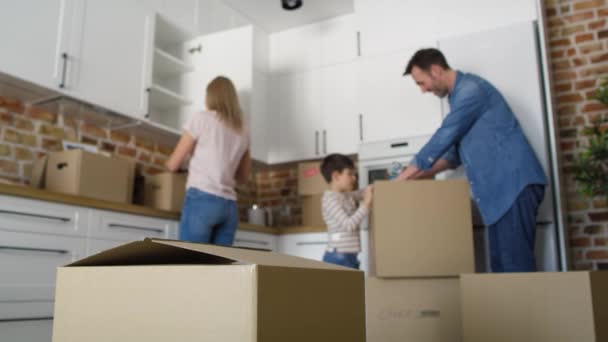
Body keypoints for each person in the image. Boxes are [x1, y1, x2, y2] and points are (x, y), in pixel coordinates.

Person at [396, 48, 546, 272]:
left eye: (421, 82)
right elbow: (451, 156)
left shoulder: (471, 91)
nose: (423, 90)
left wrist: (400, 180)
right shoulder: (458, 98)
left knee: (515, 271)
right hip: (499, 195)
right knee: (501, 271)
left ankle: (528, 307)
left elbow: (444, 136)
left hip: (513, 186)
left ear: (436, 70)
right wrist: (414, 177)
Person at [166, 76, 251, 245]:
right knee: (219, 268)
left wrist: (170, 165)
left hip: (202, 199)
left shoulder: (201, 119)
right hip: (229, 207)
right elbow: (243, 177)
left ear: (209, 97)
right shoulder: (243, 130)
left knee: (192, 263)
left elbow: (173, 164)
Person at [320, 154, 373, 269]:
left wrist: (374, 188)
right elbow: (348, 225)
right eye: (350, 174)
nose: (354, 178)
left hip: (349, 257)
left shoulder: (345, 195)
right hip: (338, 258)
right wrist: (366, 205)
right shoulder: (330, 200)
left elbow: (362, 193)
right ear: (336, 176)